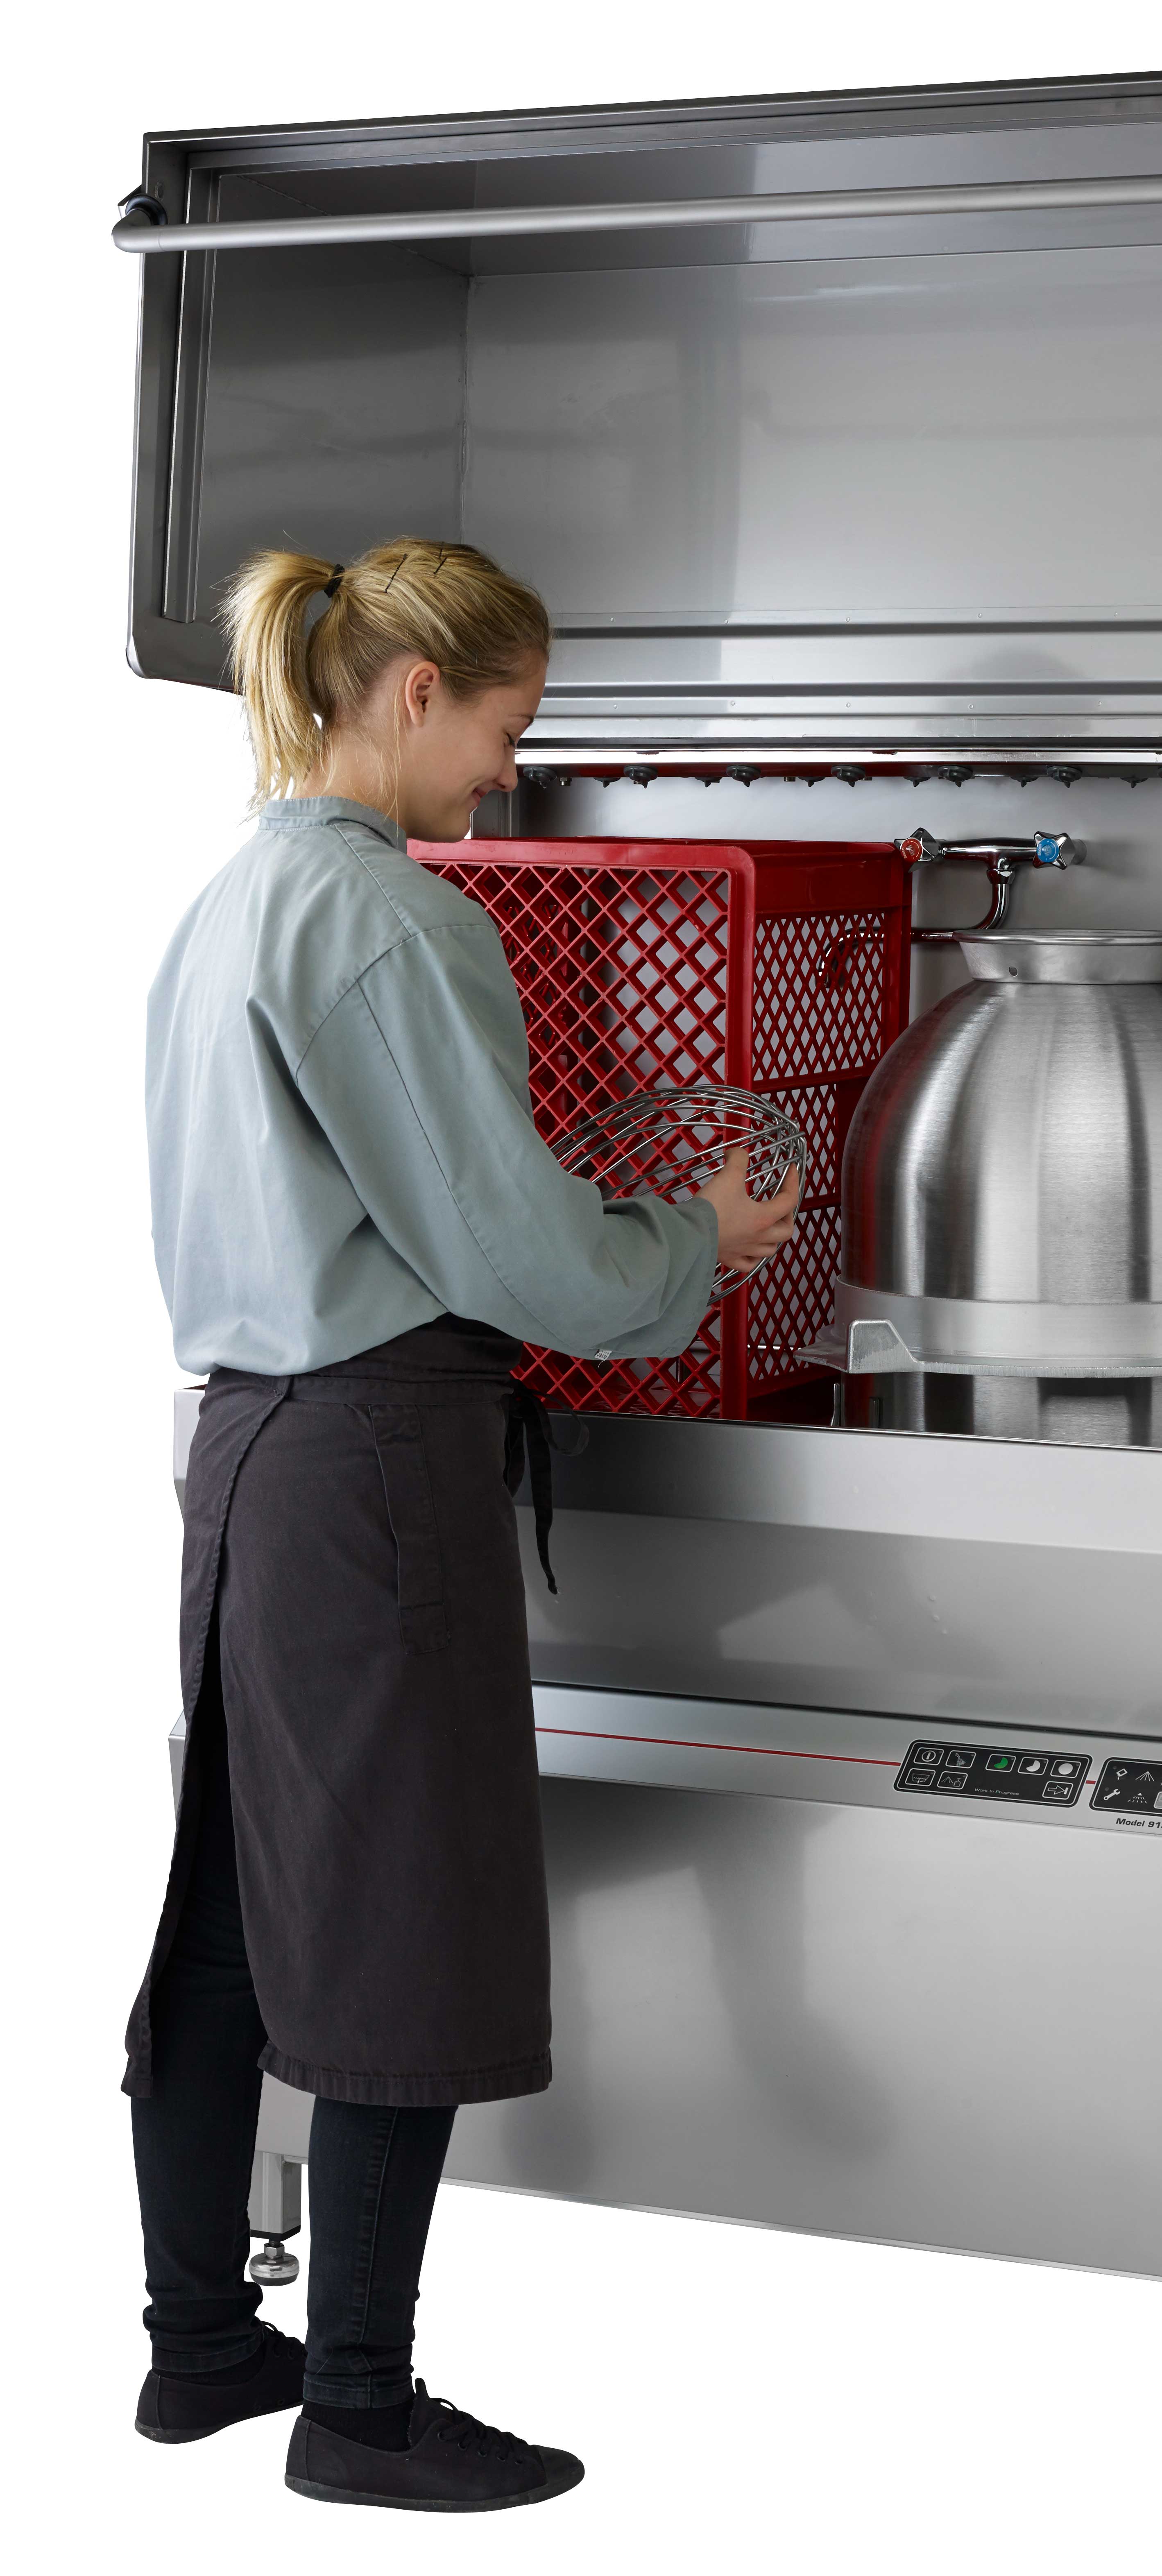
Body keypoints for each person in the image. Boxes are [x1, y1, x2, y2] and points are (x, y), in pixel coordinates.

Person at [126, 536, 797, 2512]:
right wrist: (689, 1239)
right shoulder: (394, 919)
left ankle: (199, 2343)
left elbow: (399, 1183)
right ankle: (359, 2405)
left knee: (232, 1913)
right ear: (414, 693)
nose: (513, 772)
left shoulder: (229, 899)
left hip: (246, 1455)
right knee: (397, 1922)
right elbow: (523, 1262)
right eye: (509, 724)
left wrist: (543, 1197)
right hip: (376, 1466)